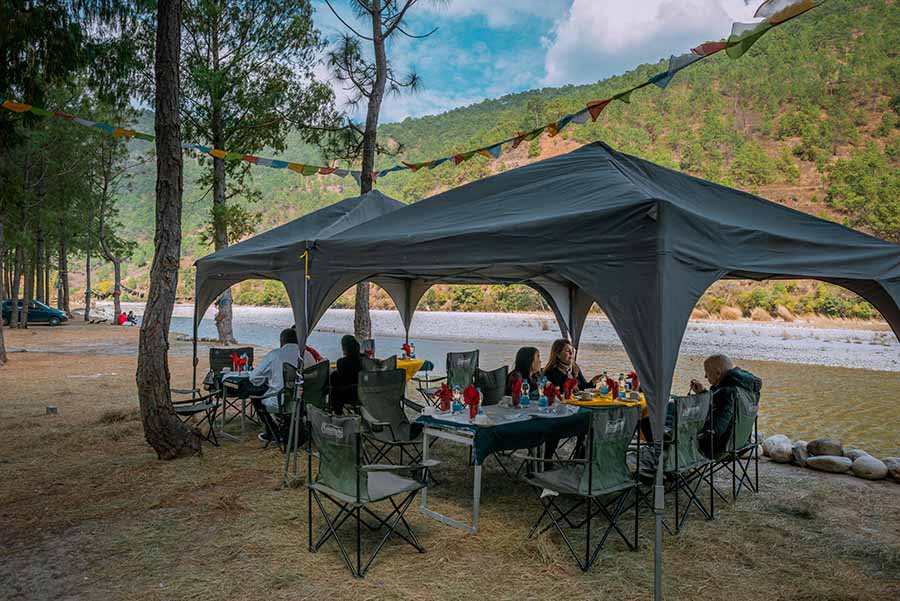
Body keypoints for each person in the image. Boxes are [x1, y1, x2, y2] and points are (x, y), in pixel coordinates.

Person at [690, 354, 762, 458]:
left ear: (718, 373)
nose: (705, 376)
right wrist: (703, 393)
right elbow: (725, 410)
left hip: (719, 448)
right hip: (740, 444)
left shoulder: (727, 392)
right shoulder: (746, 390)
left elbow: (716, 429)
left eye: (707, 372)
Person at [249, 328, 302, 442]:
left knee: (256, 397)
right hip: (304, 403)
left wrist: (266, 380)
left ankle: (272, 431)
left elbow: (253, 377)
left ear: (282, 341)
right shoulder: (306, 355)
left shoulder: (275, 355)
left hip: (282, 402)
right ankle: (290, 426)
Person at [330, 335, 364, 415]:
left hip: (347, 394)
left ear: (344, 348)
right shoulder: (364, 360)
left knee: (333, 381)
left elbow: (342, 378)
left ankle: (338, 413)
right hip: (363, 393)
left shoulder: (341, 362)